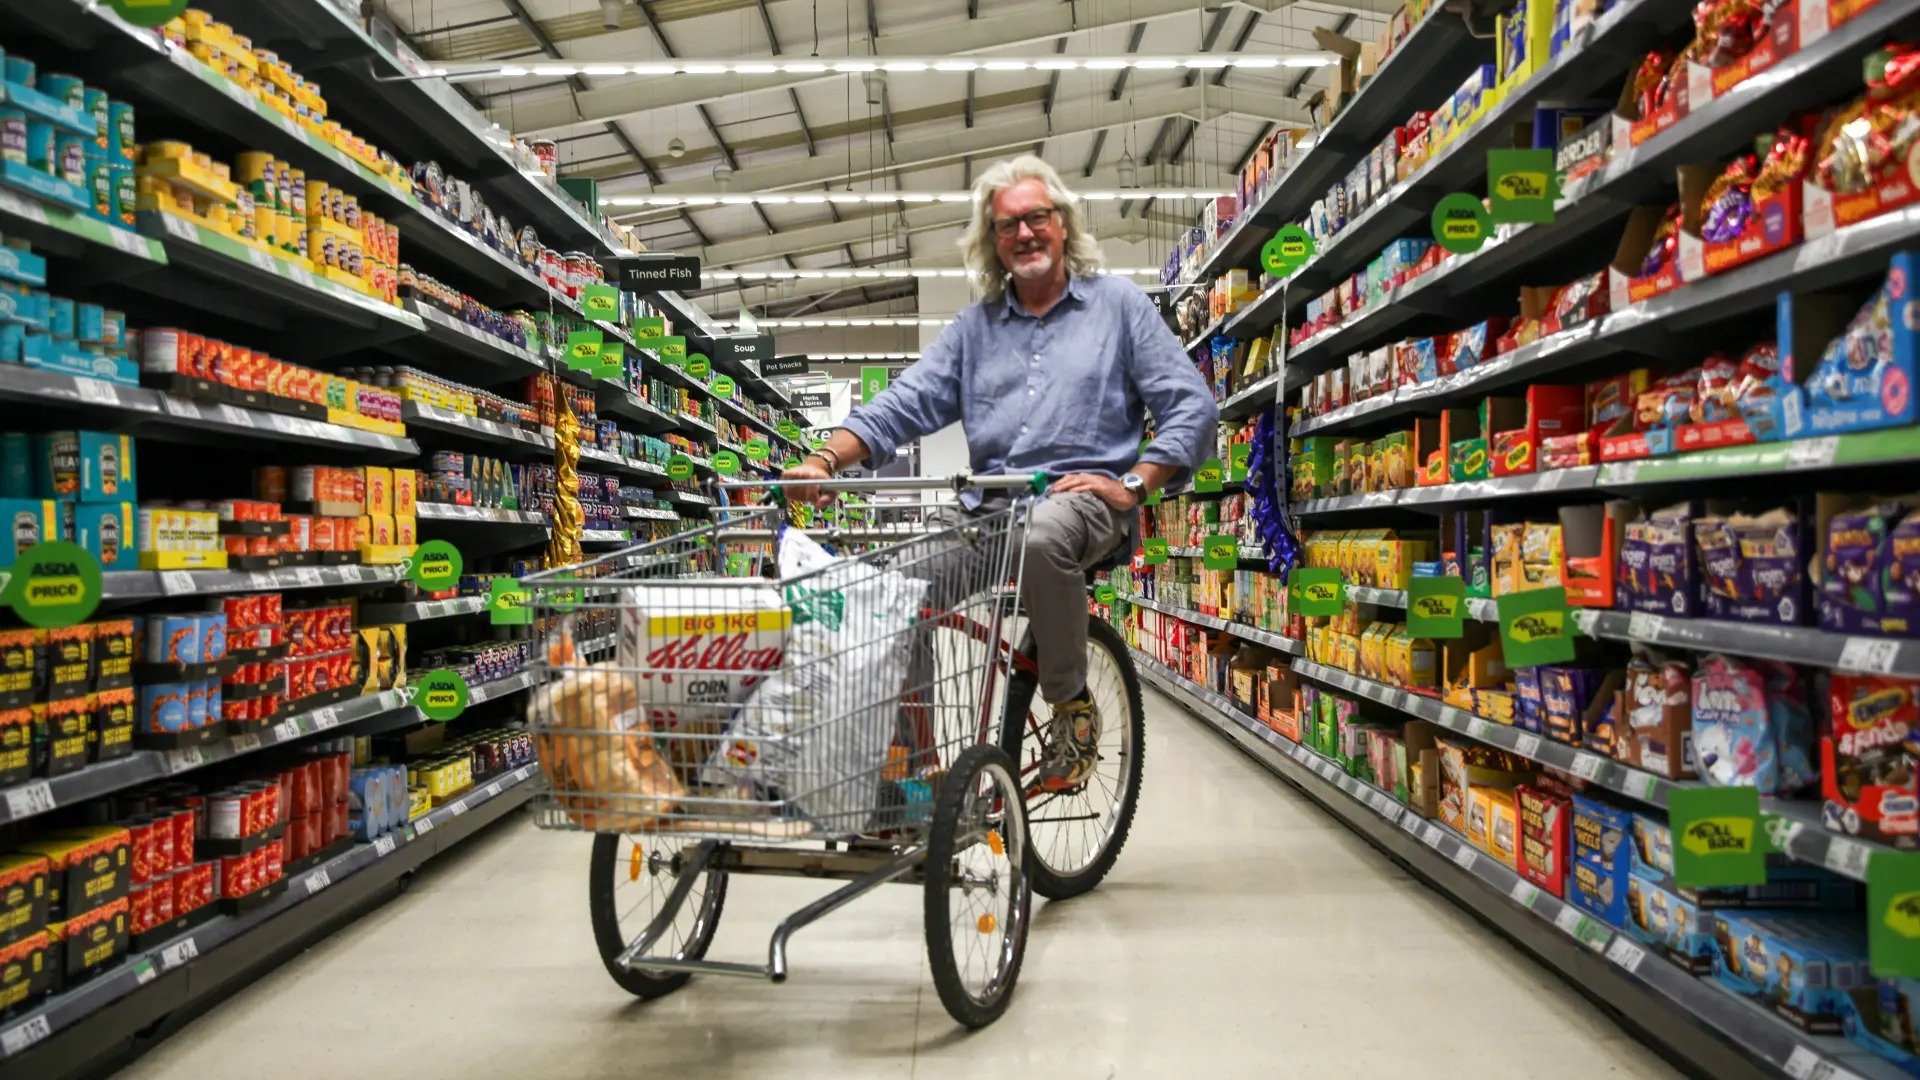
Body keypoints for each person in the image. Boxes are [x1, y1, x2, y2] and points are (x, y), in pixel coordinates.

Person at [782, 155, 1218, 793]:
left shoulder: (1118, 306)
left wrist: (1133, 483)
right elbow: (903, 403)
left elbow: (1191, 405)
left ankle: (1071, 709)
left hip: (1081, 502)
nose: (1025, 233)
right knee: (892, 588)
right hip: (988, 509)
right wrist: (824, 460)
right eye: (1007, 224)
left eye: (1036, 217)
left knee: (1042, 536)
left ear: (1062, 223)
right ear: (992, 242)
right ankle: (916, 773)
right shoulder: (974, 330)